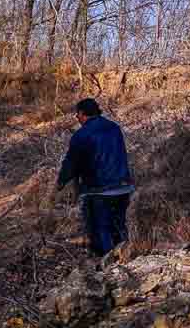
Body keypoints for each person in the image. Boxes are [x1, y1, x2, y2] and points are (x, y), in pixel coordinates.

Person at [56, 98, 134, 259]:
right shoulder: (114, 128)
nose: (77, 118)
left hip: (98, 190)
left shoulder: (82, 135)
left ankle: (108, 266)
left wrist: (61, 181)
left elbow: (71, 162)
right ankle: (125, 259)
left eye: (77, 114)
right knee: (119, 226)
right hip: (123, 186)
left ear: (83, 114)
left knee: (100, 229)